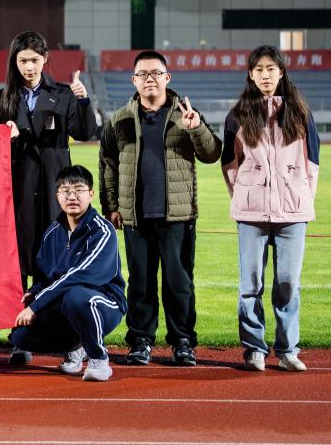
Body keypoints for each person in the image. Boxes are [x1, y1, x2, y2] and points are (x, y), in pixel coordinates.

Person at [99, 49, 221, 367]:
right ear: (134, 80)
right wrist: (111, 205)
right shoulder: (120, 120)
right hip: (136, 217)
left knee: (179, 284)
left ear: (167, 77)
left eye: (156, 73)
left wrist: (196, 127)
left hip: (177, 216)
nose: (149, 79)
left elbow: (211, 154)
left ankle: (182, 342)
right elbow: (108, 164)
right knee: (140, 283)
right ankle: (141, 341)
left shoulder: (186, 114)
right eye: (143, 74)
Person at [0, 31, 95, 364]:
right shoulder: (3, 98)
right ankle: (21, 340)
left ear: (45, 59)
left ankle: (69, 343)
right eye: (22, 60)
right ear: (14, 61)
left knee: (58, 267)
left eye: (34, 60)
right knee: (19, 269)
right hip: (18, 193)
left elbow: (85, 132)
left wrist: (83, 100)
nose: (29, 67)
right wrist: (7, 138)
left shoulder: (63, 94)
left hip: (55, 192)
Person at [221, 46, 319, 372]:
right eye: (259, 69)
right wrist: (246, 194)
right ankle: (254, 349)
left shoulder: (300, 113)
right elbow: (229, 164)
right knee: (250, 285)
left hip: (293, 213)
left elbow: (312, 163)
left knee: (288, 283)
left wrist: (301, 198)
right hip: (252, 215)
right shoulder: (237, 115)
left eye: (271, 69)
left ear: (281, 72)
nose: (265, 75)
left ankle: (287, 349)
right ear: (250, 74)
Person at [11, 165, 125, 382]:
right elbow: (45, 277)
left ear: (91, 194)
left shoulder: (102, 230)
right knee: (21, 336)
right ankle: (76, 346)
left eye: (79, 190)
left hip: (105, 302)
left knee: (77, 296)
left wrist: (37, 306)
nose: (72, 196)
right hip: (65, 306)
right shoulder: (51, 234)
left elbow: (79, 275)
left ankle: (98, 359)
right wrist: (34, 293)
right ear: (57, 196)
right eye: (65, 191)